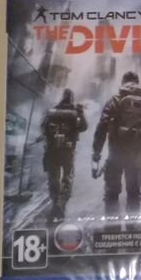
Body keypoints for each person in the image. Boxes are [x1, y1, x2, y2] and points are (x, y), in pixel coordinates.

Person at [92, 71, 141, 217]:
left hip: (116, 153)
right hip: (137, 155)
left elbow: (102, 127)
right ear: (137, 83)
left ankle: (112, 225)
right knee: (134, 193)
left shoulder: (115, 99)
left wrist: (96, 153)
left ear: (123, 82)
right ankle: (132, 225)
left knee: (111, 193)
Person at [41, 88, 87, 222]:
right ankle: (61, 204)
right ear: (72, 98)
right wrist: (81, 112)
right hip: (68, 151)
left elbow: (44, 128)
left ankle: (54, 201)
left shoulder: (53, 111)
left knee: (53, 178)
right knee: (67, 177)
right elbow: (83, 127)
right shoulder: (74, 112)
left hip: (52, 151)